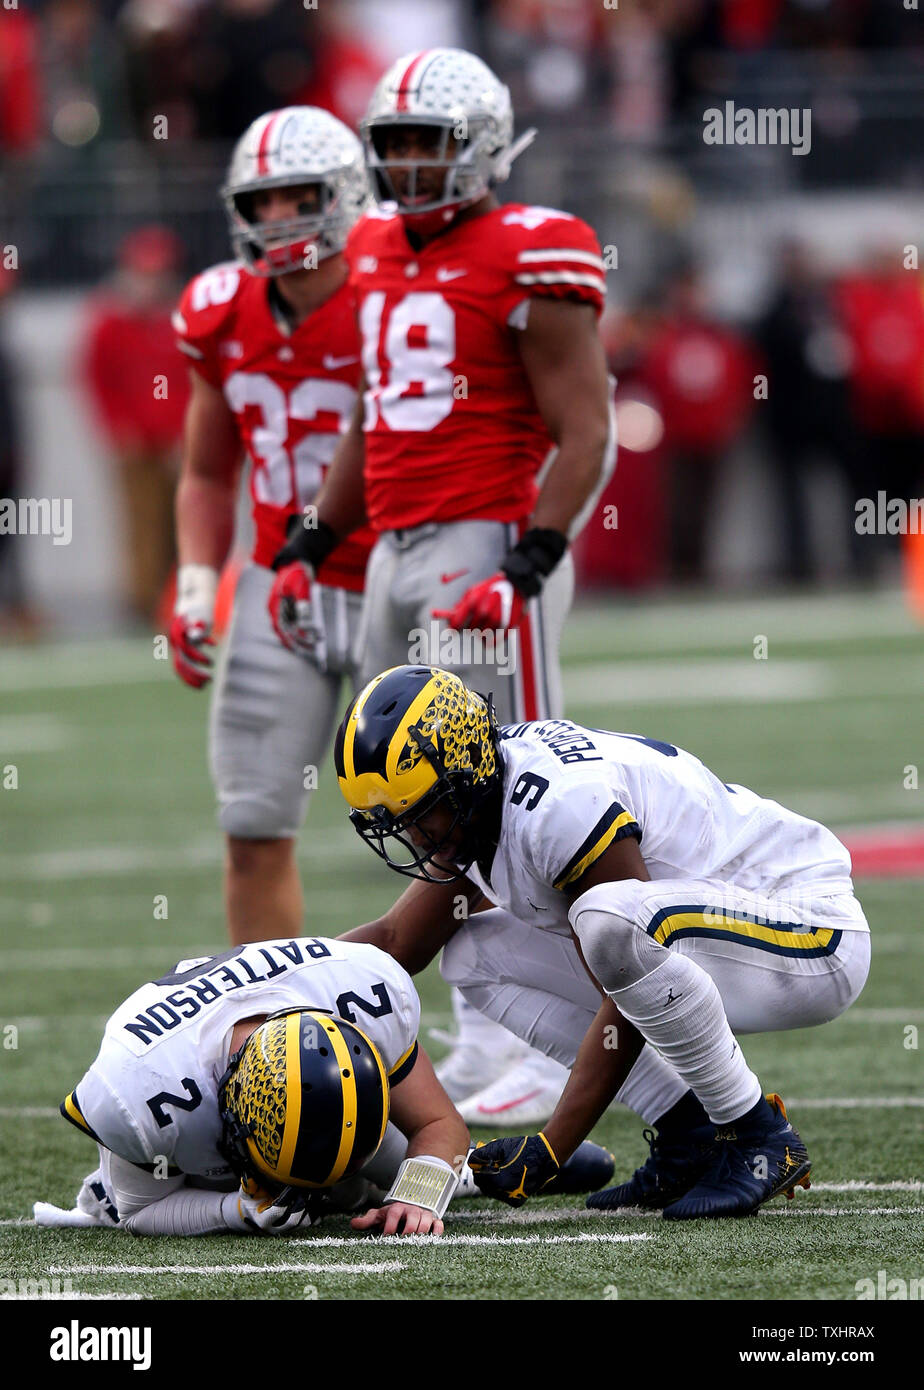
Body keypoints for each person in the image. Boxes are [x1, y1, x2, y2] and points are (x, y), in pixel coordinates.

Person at [268, 48, 617, 1124]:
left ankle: (529, 1038)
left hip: (486, 540)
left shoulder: (529, 248)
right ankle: (479, 1028)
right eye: (396, 143)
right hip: (398, 546)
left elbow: (588, 425)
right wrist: (315, 534)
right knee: (414, 810)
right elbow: (375, 415)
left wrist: (535, 556)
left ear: (482, 144)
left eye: (431, 141)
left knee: (506, 801)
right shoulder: (368, 246)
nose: (412, 163)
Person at [333, 664, 871, 1220]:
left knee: (607, 920)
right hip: (718, 932)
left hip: (809, 931)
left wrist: (552, 1145)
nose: (415, 834)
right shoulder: (485, 797)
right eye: (400, 819)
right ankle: (689, 1131)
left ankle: (755, 1129)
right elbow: (399, 941)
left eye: (423, 813)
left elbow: (625, 962)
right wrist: (274, 973)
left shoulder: (555, 808)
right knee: (475, 955)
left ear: (464, 776)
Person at [34, 934, 614, 1237]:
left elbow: (437, 1124)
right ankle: (464, 1177)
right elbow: (141, 1210)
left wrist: (419, 1194)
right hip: (190, 1091)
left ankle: (463, 1175)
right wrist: (236, 1208)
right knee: (340, 1186)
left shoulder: (361, 994)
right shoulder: (143, 1089)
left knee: (375, 1175)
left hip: (298, 1055)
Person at [169, 106, 376, 946]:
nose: (282, 217)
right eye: (266, 201)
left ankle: (490, 1036)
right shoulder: (220, 312)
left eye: (302, 196)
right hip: (275, 585)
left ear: (345, 193)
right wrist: (192, 585)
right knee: (253, 823)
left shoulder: (389, 298)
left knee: (459, 828)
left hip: (391, 577)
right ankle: (271, 1026)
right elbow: (206, 471)